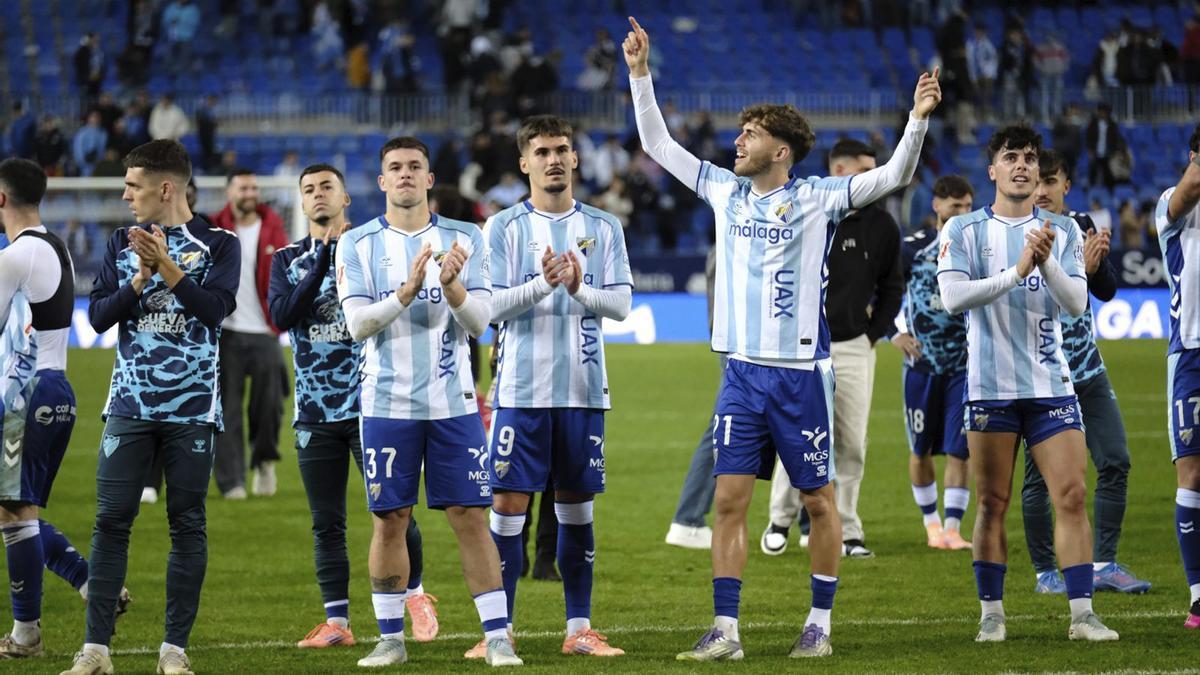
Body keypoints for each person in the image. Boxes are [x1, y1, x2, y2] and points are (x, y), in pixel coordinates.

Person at [624, 16, 939, 659]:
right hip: (741, 373)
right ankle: (727, 631)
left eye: (751, 134)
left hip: (800, 376)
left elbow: (894, 176)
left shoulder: (821, 197)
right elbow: (658, 144)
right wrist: (638, 75)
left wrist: (917, 119)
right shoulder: (723, 189)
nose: (737, 141)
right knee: (729, 501)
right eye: (740, 133)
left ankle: (818, 626)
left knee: (821, 505)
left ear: (781, 151)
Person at [334, 137, 520, 667]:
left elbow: (481, 321)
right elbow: (356, 325)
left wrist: (454, 287)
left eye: (416, 166)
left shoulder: (465, 237)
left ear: (431, 178)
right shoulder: (360, 244)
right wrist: (406, 292)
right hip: (387, 402)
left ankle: (498, 636)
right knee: (390, 518)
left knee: (469, 515)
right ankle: (390, 638)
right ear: (381, 181)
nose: (406, 174)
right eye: (395, 167)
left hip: (453, 403)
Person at [62, 139, 240, 675]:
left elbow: (213, 312)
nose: (125, 195)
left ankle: (173, 651)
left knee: (187, 523)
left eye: (133, 185)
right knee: (110, 520)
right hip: (129, 405)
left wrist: (165, 265)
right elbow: (96, 319)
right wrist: (139, 276)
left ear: (166, 188)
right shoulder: (122, 241)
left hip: (192, 410)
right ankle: (96, 651)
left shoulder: (220, 243)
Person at [936, 124, 1118, 642]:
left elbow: (1077, 303)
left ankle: (1082, 614)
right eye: (1011, 157)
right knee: (992, 502)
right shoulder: (963, 231)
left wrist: (1045, 265)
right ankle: (992, 614)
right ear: (992, 169)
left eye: (1030, 158)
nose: (1022, 165)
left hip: (1051, 386)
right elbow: (953, 300)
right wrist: (1017, 271)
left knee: (1073, 494)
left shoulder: (1060, 232)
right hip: (989, 387)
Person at [478, 114, 633, 660]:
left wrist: (578, 284)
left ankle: (579, 629)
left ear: (575, 158)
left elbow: (620, 306)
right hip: (520, 391)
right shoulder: (501, 229)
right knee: (507, 504)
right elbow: (486, 307)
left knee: (575, 506)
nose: (554, 160)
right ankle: (499, 631)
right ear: (524, 163)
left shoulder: (604, 226)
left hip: (584, 389)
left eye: (562, 149)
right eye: (542, 151)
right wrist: (541, 283)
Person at [269, 163, 439, 649]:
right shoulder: (286, 259)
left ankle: (417, 595)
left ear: (346, 198)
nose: (317, 195)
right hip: (315, 412)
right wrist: (322, 257)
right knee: (327, 523)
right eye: (309, 190)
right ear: (301, 204)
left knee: (393, 512)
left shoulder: (371, 250)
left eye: (327, 187)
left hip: (374, 404)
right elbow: (282, 316)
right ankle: (338, 623)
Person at [0, 158, 126, 659]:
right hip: (54, 388)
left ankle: (26, 634)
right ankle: (92, 583)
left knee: (15, 512)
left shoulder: (15, 256)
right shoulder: (53, 247)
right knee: (13, 508)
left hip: (26, 392)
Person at [760, 138, 905, 560]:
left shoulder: (882, 226)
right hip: (801, 350)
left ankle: (849, 529)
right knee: (796, 439)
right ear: (840, 173)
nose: (875, 180)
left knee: (851, 443)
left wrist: (871, 333)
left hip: (853, 347)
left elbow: (893, 287)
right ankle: (780, 520)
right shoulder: (809, 212)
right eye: (866, 172)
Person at [1022, 149, 1150, 595]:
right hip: (1042, 376)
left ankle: (1105, 564)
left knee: (1115, 459)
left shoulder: (1081, 228)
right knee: (1040, 479)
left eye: (1050, 181)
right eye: (1037, 181)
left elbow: (1108, 290)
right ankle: (1045, 573)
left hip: (1089, 371)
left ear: (1065, 186)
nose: (1041, 190)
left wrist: (1094, 270)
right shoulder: (1013, 229)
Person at [889, 174, 975, 550]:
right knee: (920, 448)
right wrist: (895, 333)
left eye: (968, 207)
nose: (962, 213)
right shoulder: (914, 248)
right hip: (921, 365)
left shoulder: (977, 249)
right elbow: (887, 292)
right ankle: (931, 526)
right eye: (955, 206)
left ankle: (953, 530)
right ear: (937, 206)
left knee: (961, 448)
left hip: (964, 365)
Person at [211, 170, 289, 499]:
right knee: (226, 408)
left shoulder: (274, 226)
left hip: (265, 331)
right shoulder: (214, 227)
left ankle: (264, 461)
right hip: (226, 332)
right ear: (230, 191)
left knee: (270, 405)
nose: (251, 192)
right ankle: (232, 482)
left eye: (254, 187)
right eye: (244, 187)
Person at [1153, 122, 1200, 629]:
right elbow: (1190, 188)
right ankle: (1199, 595)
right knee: (1193, 473)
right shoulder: (1174, 203)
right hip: (1192, 352)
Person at [664, 248, 719, 550]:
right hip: (743, 346)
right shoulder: (738, 231)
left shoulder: (731, 228)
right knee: (724, 428)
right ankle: (688, 519)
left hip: (735, 342)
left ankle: (799, 522)